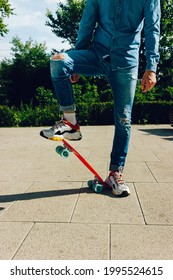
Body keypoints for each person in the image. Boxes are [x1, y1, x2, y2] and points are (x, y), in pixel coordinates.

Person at [40, 0, 160, 197]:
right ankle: (70, 122)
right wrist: (76, 61)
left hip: (126, 61)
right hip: (97, 55)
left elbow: (152, 29)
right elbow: (87, 23)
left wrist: (151, 67)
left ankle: (115, 173)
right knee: (58, 61)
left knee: (124, 119)